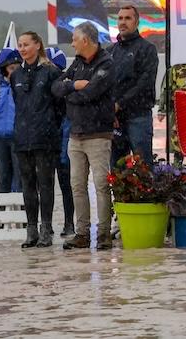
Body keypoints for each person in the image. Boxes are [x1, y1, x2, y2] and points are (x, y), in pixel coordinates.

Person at [52, 22, 117, 251]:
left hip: (98, 134)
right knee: (76, 185)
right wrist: (74, 86)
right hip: (75, 134)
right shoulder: (77, 63)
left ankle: (104, 233)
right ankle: (82, 233)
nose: (71, 43)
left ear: (86, 41)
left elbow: (91, 93)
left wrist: (71, 92)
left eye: (74, 39)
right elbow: (56, 87)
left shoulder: (107, 63)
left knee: (101, 184)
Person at [9, 31, 61, 248]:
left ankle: (46, 228)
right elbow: (17, 103)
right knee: (27, 184)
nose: (22, 48)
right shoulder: (15, 75)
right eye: (20, 45)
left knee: (46, 183)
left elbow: (60, 106)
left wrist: (49, 124)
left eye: (26, 44)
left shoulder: (51, 72)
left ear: (37, 45)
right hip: (22, 137)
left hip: (45, 136)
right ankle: (31, 229)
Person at [108, 5, 159, 164]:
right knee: (117, 170)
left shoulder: (147, 49)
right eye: (120, 18)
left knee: (143, 168)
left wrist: (120, 104)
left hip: (139, 116)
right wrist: (111, 110)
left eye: (128, 18)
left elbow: (144, 83)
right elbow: (104, 84)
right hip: (116, 119)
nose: (123, 22)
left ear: (136, 22)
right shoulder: (109, 51)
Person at [47, 47, 74, 238]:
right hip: (47, 139)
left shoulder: (65, 86)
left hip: (64, 140)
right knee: (46, 186)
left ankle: (69, 223)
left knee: (67, 185)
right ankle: (46, 225)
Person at [0, 46, 22, 193]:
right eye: (12, 68)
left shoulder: (23, 86)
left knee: (20, 178)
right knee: (3, 178)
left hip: (18, 137)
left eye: (18, 67)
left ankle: (22, 212)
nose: (15, 71)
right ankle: (3, 212)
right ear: (4, 69)